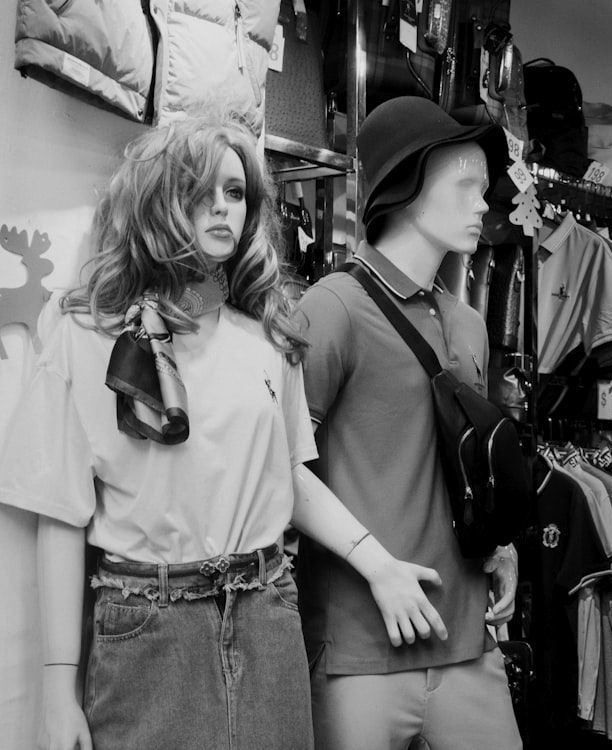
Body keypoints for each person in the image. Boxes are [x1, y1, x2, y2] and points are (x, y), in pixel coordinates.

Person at [0, 108, 446, 750]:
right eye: (199, 191)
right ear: (158, 201)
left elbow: (289, 475)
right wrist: (56, 687)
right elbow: (61, 512)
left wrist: (376, 563)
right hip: (148, 627)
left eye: (235, 193)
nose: (222, 209)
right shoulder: (87, 336)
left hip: (266, 614)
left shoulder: (268, 337)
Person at [293, 96, 522, 750]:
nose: (485, 204)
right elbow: (281, 466)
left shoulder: (468, 324)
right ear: (407, 187)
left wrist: (496, 542)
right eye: (466, 185)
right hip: (363, 648)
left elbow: (453, 463)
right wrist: (376, 566)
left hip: (468, 640)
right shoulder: (331, 308)